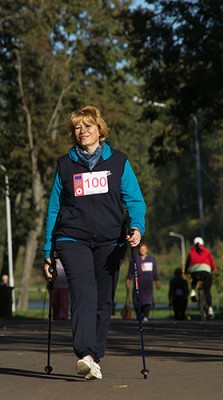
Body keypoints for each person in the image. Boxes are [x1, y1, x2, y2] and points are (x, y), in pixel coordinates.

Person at [42, 105, 146, 381]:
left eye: (88, 126)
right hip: (71, 237)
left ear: (100, 130)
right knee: (84, 292)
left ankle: (95, 356)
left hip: (111, 241)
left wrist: (136, 226)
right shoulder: (65, 164)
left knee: (103, 299)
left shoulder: (118, 162)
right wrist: (47, 251)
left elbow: (134, 200)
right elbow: (54, 207)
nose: (83, 131)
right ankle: (85, 354)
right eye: (77, 127)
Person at [125, 243, 160, 322]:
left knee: (147, 300)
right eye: (141, 249)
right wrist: (128, 281)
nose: (142, 251)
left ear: (147, 250)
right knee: (137, 300)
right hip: (138, 284)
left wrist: (157, 281)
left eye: (144, 249)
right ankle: (139, 315)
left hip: (148, 285)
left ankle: (146, 316)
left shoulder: (151, 259)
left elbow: (155, 272)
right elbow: (130, 272)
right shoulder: (135, 259)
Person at [185, 237, 216, 319]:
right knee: (207, 290)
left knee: (193, 281)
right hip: (206, 272)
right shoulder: (206, 251)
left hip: (195, 272)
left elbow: (187, 263)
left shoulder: (191, 252)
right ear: (203, 244)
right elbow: (212, 261)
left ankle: (192, 291)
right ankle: (210, 308)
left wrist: (186, 271)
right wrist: (213, 269)